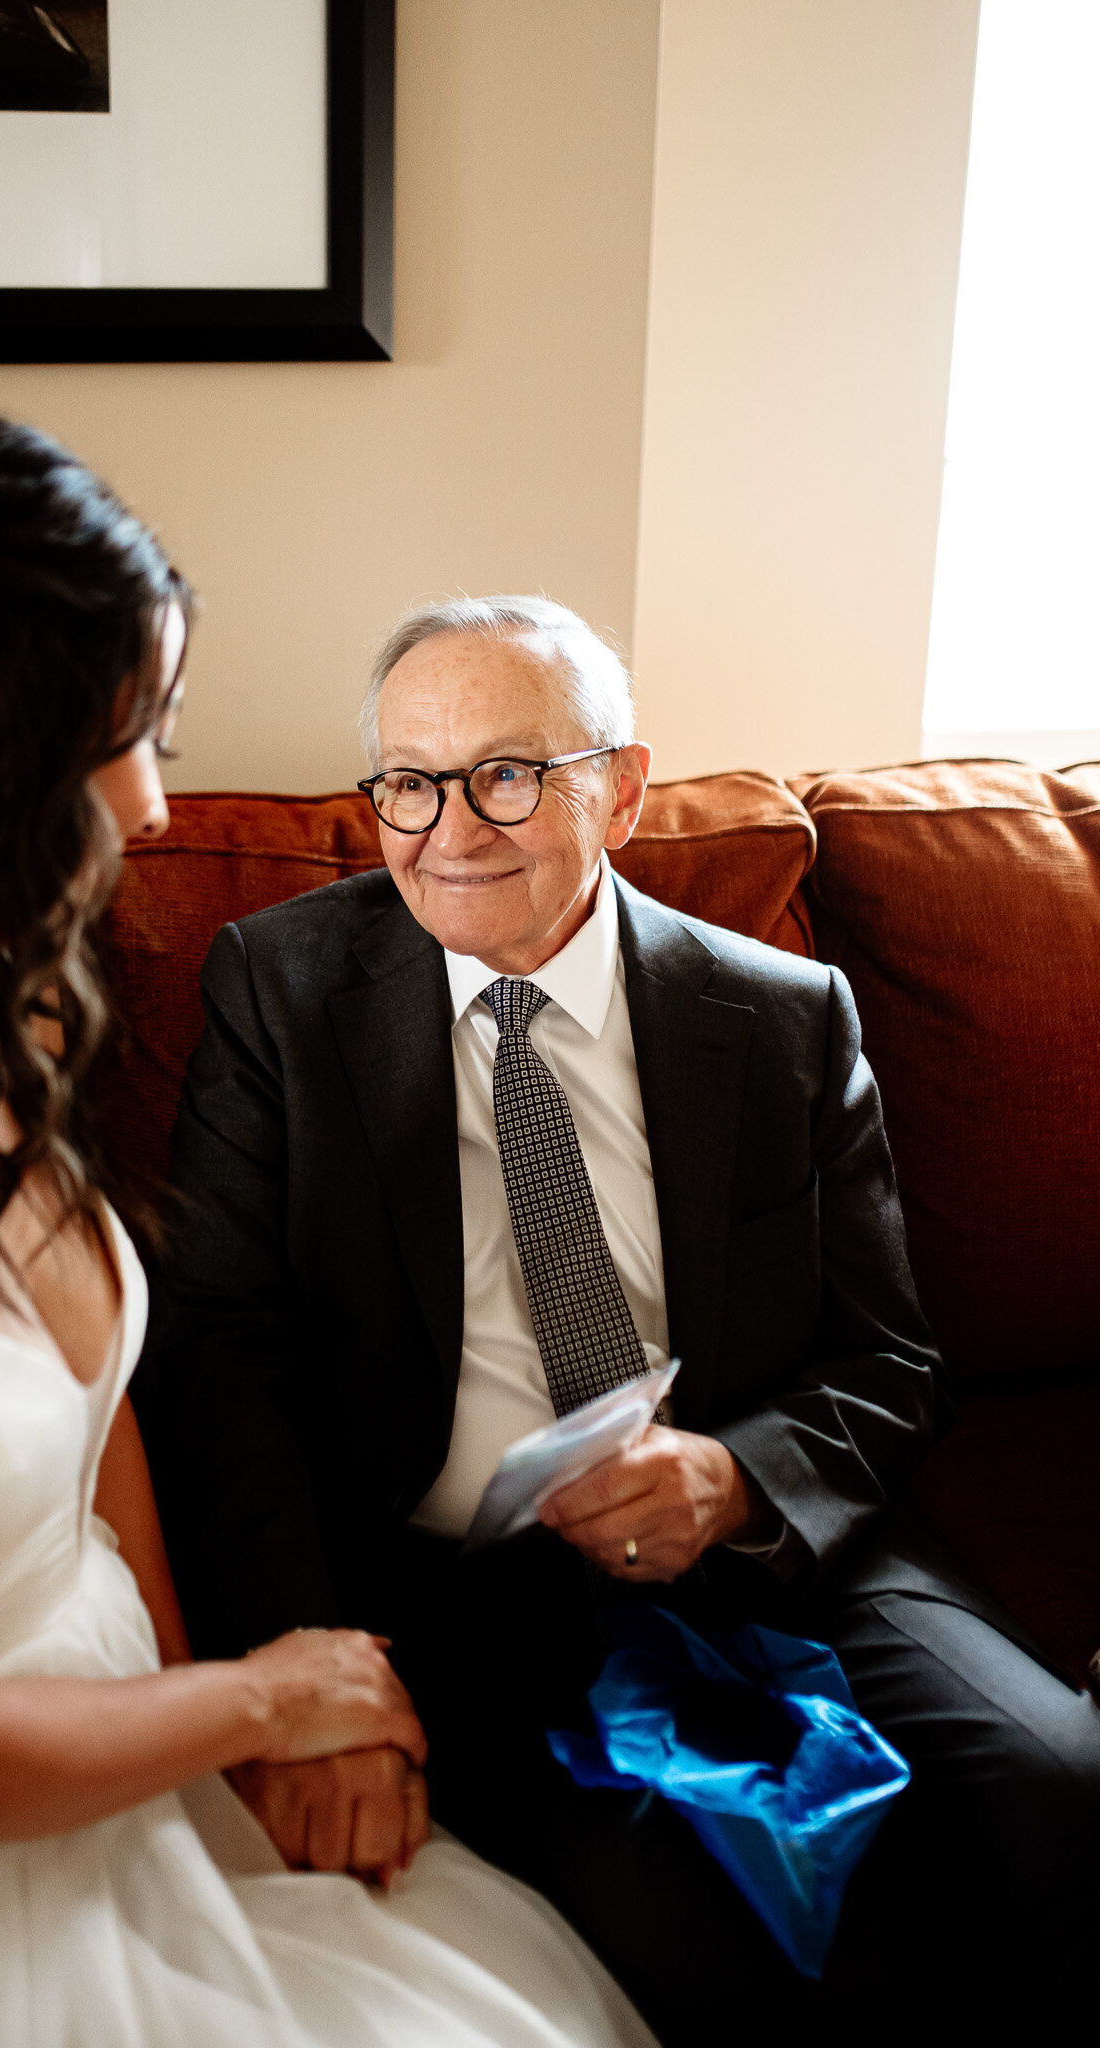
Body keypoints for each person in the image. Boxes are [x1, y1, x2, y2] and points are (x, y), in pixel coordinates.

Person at [0, 423, 657, 2048]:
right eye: (137, 732)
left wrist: (226, 1744)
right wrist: (274, 1693)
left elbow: (105, 1472)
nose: (158, 804)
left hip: (147, 1788)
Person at [139, 595, 1100, 2047]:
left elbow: (890, 1360)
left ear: (623, 788)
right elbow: (219, 1358)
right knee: (693, 1940)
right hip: (463, 1583)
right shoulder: (281, 990)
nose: (449, 827)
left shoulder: (782, 1016)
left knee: (1061, 1802)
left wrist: (736, 1478)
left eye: (509, 773)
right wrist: (308, 1664)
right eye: (409, 780)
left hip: (776, 1539)